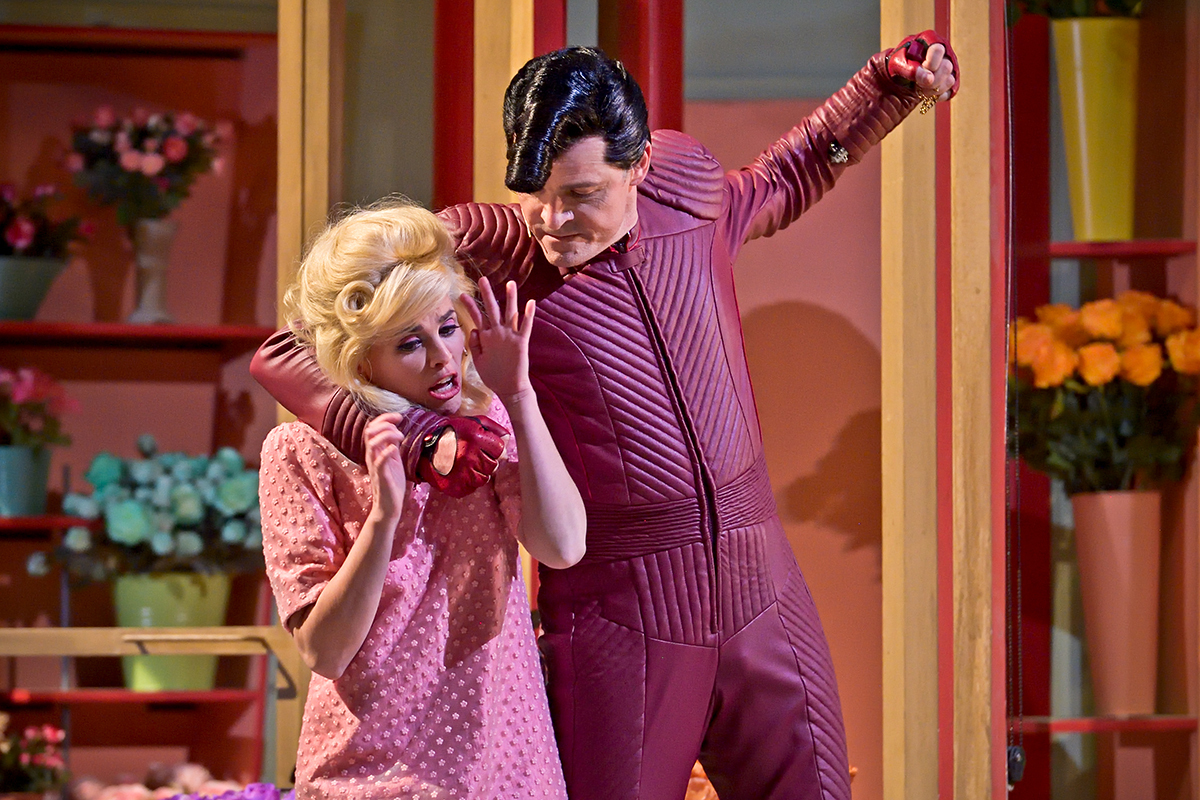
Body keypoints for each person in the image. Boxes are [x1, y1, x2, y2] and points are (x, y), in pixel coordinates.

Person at [253, 31, 958, 800]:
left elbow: (784, 176)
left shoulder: (687, 190)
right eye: (536, 190)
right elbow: (287, 351)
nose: (553, 220)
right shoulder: (491, 246)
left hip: (762, 584)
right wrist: (423, 439)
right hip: (622, 609)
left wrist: (888, 88)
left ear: (640, 165)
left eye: (582, 195)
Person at [257, 200, 586, 799]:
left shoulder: (488, 420)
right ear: (360, 359)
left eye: (447, 327)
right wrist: (383, 519)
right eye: (410, 342)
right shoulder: (297, 450)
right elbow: (324, 651)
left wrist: (519, 395)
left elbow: (562, 547)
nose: (442, 357)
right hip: (368, 778)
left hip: (505, 768)